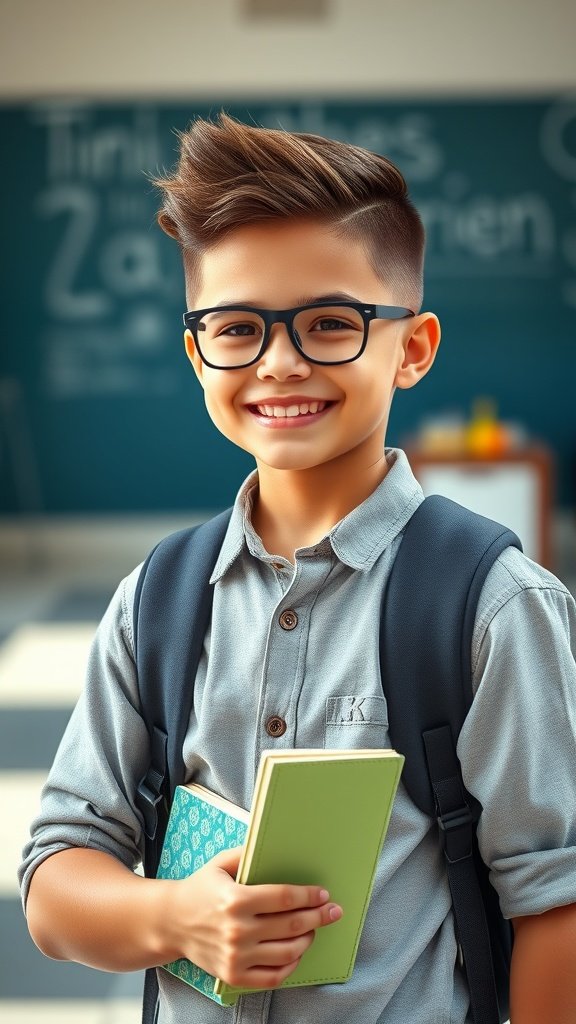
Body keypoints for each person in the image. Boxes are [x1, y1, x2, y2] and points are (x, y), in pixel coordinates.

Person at [19, 113, 576, 1024]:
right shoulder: (154, 604)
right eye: (238, 328)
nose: (280, 363)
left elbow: (555, 902)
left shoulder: (493, 606)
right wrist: (177, 918)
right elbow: (56, 881)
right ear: (198, 350)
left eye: (331, 323)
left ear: (415, 348)